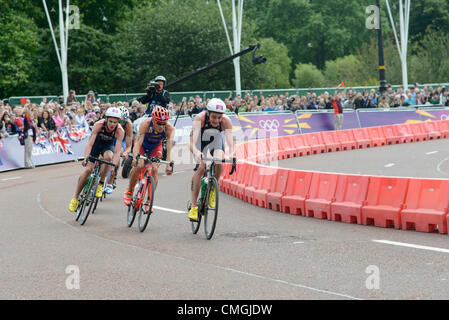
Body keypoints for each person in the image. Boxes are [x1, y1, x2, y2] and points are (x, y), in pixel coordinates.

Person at [68, 107, 125, 213]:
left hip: (107, 147)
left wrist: (114, 166)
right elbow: (90, 144)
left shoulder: (120, 130)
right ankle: (75, 198)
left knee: (108, 157)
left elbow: (117, 152)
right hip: (95, 145)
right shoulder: (98, 125)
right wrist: (86, 158)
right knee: (88, 170)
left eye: (115, 122)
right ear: (106, 119)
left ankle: (100, 184)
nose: (113, 124)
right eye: (111, 121)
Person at [188, 98, 235, 221]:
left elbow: (230, 141)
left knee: (219, 161)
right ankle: (194, 207)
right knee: (202, 167)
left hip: (216, 139)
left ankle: (213, 186)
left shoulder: (226, 121)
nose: (217, 120)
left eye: (219, 117)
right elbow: (192, 143)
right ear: (208, 113)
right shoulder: (200, 118)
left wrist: (233, 154)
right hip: (200, 141)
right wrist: (197, 152)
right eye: (214, 117)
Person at [122, 105, 174, 208]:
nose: (161, 126)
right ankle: (129, 191)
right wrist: (135, 157)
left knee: (154, 169)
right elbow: (138, 142)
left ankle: (149, 201)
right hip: (142, 145)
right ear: (154, 120)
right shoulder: (145, 124)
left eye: (164, 123)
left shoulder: (169, 128)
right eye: (159, 123)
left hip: (155, 147)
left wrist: (169, 164)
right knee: (139, 165)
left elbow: (169, 148)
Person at [104, 106, 133, 194]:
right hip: (111, 138)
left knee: (118, 154)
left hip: (122, 140)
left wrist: (126, 152)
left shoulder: (128, 125)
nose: (119, 124)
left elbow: (129, 144)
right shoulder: (109, 120)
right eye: (118, 121)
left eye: (122, 122)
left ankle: (111, 180)